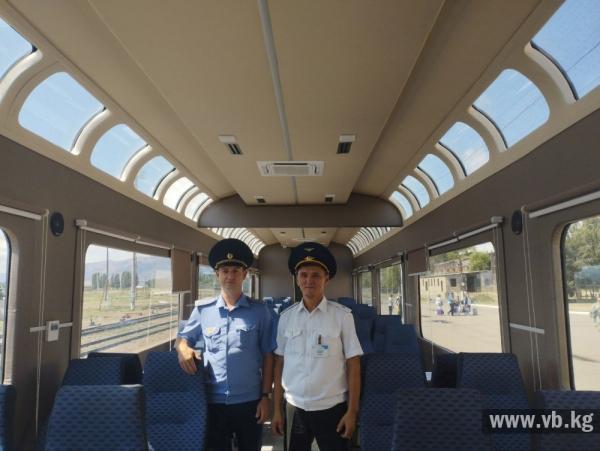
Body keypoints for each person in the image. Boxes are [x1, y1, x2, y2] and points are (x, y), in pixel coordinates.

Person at [176, 238, 276, 451]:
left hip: (250, 400)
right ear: (217, 274)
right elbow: (183, 339)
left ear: (245, 274)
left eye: (235, 271)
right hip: (213, 402)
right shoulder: (203, 310)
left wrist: (266, 397)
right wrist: (182, 349)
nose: (230, 276)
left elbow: (269, 356)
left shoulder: (260, 312)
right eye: (225, 271)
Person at [272, 242, 363, 451]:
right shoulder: (286, 318)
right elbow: (279, 364)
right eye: (303, 275)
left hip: (332, 407)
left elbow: (354, 365)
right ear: (297, 279)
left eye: (316, 275)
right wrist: (276, 409)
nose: (309, 281)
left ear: (326, 279)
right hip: (295, 407)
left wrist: (352, 412)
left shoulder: (342, 316)